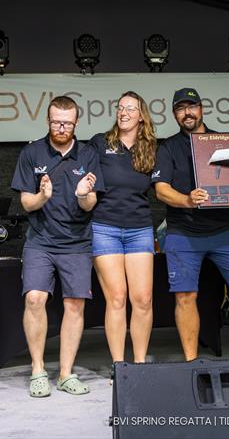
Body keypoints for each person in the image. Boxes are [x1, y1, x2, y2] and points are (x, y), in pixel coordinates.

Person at [152, 88, 229, 361]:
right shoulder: (167, 147)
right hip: (183, 231)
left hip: (224, 229)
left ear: (202, 108)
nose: (187, 113)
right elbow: (161, 190)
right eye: (181, 108)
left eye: (192, 107)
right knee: (185, 296)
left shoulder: (223, 143)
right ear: (174, 113)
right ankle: (191, 361)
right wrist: (187, 200)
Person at [11, 95, 103, 397]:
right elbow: (26, 202)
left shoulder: (88, 154)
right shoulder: (32, 152)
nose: (61, 127)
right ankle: (38, 370)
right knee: (35, 299)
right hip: (41, 240)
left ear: (76, 122)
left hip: (76, 242)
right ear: (48, 120)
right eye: (55, 122)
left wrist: (81, 194)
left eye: (66, 122)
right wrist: (43, 198)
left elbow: (90, 204)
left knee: (74, 305)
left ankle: (65, 373)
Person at [85, 91, 156, 364]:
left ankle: (138, 364)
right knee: (116, 298)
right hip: (105, 228)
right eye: (120, 107)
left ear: (141, 115)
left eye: (130, 108)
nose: (124, 112)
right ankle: (119, 365)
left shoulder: (150, 148)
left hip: (139, 229)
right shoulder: (99, 144)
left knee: (143, 299)